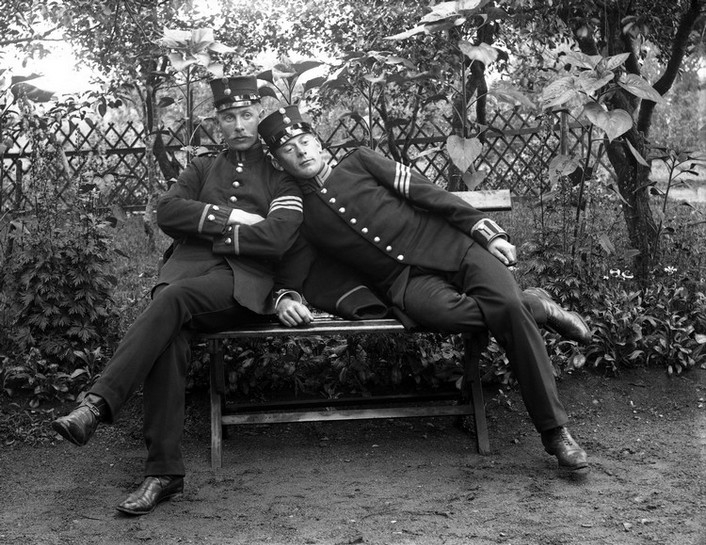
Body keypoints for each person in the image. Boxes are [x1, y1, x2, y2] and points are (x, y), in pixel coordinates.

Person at [256, 105, 593, 472]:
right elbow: (297, 266)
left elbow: (426, 192)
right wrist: (284, 296)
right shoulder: (301, 212)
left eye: (306, 142)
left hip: (455, 248)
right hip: (406, 282)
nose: (301, 151)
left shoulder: (360, 162)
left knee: (509, 309)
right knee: (471, 311)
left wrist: (485, 231)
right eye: (288, 149)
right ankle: (538, 306)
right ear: (277, 162)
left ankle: (554, 431)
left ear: (319, 144)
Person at [51, 76, 312, 516]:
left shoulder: (281, 179)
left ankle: (95, 405)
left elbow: (279, 237)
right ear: (218, 123)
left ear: (258, 116)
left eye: (247, 115)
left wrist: (213, 231)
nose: (238, 125)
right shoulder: (201, 169)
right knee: (169, 339)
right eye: (229, 118)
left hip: (241, 284)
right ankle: (163, 473)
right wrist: (235, 217)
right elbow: (168, 212)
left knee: (172, 301)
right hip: (186, 276)